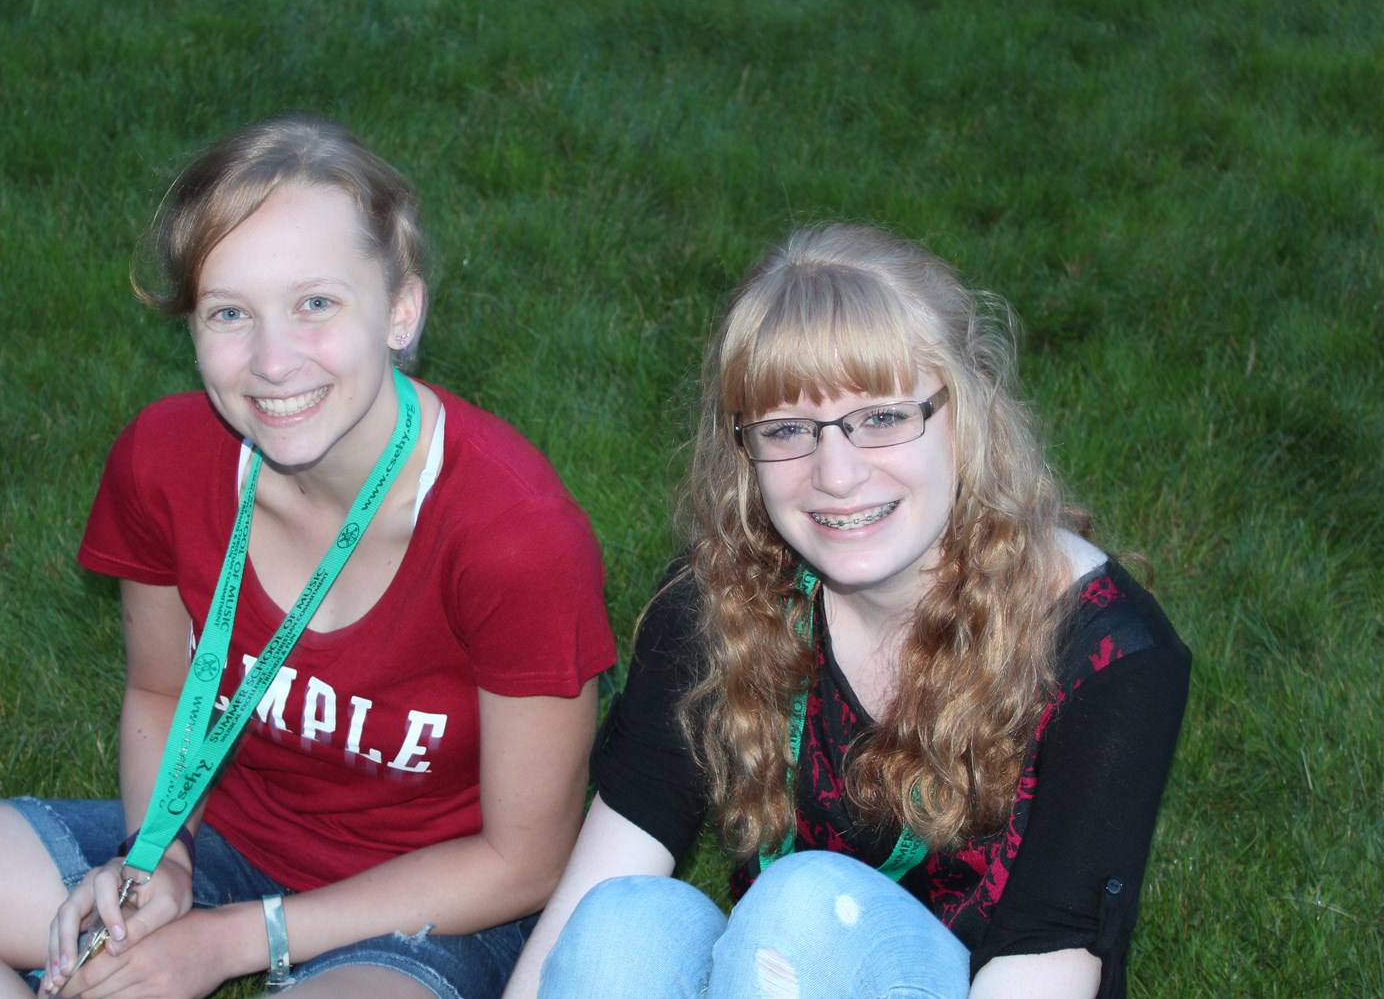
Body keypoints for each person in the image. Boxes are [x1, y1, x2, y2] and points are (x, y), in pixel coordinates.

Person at [0, 113, 618, 999]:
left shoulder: (514, 534)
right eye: (229, 313)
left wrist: (230, 942)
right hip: (225, 839)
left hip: (427, 907)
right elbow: (159, 691)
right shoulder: (167, 461)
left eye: (316, 303)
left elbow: (524, 862)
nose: (272, 361)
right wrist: (158, 858)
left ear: (401, 309)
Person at [504, 224, 1190, 999]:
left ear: (968, 411)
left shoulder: (1106, 652)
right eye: (787, 430)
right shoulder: (720, 597)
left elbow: (1048, 964)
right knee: (622, 922)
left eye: (884, 417)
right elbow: (599, 881)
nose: (836, 473)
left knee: (805, 909)